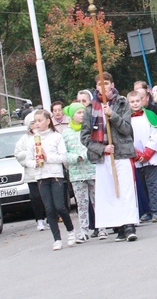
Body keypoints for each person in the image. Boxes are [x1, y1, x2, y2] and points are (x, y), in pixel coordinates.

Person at [80, 72, 139, 242]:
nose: (103, 87)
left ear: (112, 85)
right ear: (96, 87)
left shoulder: (122, 103)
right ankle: (118, 225)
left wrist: (112, 115)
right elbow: (85, 137)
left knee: (126, 190)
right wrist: (103, 148)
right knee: (110, 191)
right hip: (103, 155)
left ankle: (129, 225)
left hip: (122, 152)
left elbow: (127, 129)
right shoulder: (90, 109)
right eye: (100, 84)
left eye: (106, 83)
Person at [22, 109, 81, 251]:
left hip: (55, 175)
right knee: (49, 208)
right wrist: (36, 162)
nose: (37, 124)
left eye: (40, 120)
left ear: (48, 121)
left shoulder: (56, 137)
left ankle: (70, 230)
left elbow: (63, 157)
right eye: (35, 121)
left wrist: (47, 158)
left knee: (60, 206)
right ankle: (57, 238)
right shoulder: (32, 140)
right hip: (41, 176)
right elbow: (28, 160)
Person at [61, 102, 97, 241]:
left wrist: (88, 154)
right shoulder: (66, 133)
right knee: (82, 203)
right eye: (79, 113)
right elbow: (64, 153)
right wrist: (75, 158)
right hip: (77, 174)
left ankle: (102, 228)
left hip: (92, 170)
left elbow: (96, 145)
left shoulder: (91, 128)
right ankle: (83, 230)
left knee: (96, 201)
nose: (82, 115)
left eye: (83, 112)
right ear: (72, 115)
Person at [128, 91, 157, 223]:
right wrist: (136, 154)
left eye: (137, 101)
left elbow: (155, 134)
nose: (135, 104)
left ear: (142, 101)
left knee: (153, 184)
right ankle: (145, 211)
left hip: (151, 156)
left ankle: (156, 210)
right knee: (140, 186)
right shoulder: (126, 118)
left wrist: (147, 154)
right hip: (134, 157)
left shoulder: (150, 115)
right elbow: (126, 138)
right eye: (132, 102)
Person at [14, 122, 50, 232]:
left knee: (47, 197)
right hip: (32, 173)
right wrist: (31, 155)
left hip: (46, 171)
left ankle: (49, 218)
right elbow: (18, 153)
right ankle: (39, 219)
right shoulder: (24, 139)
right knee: (35, 197)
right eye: (33, 123)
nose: (36, 125)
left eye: (38, 122)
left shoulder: (46, 135)